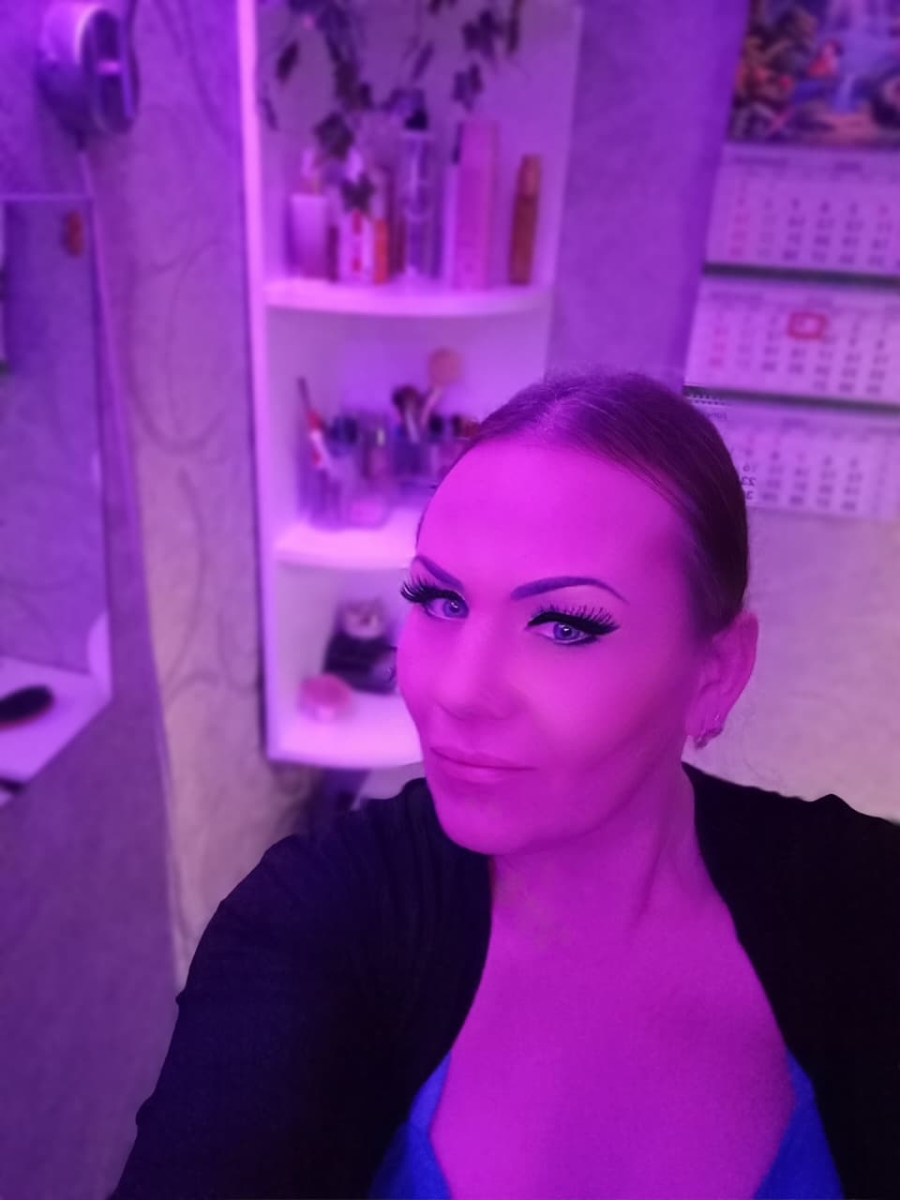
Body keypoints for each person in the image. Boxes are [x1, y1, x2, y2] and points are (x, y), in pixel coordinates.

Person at [111, 371, 899, 1200]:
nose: (458, 691)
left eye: (565, 626)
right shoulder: (317, 919)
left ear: (716, 673)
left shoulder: (865, 902)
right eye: (440, 600)